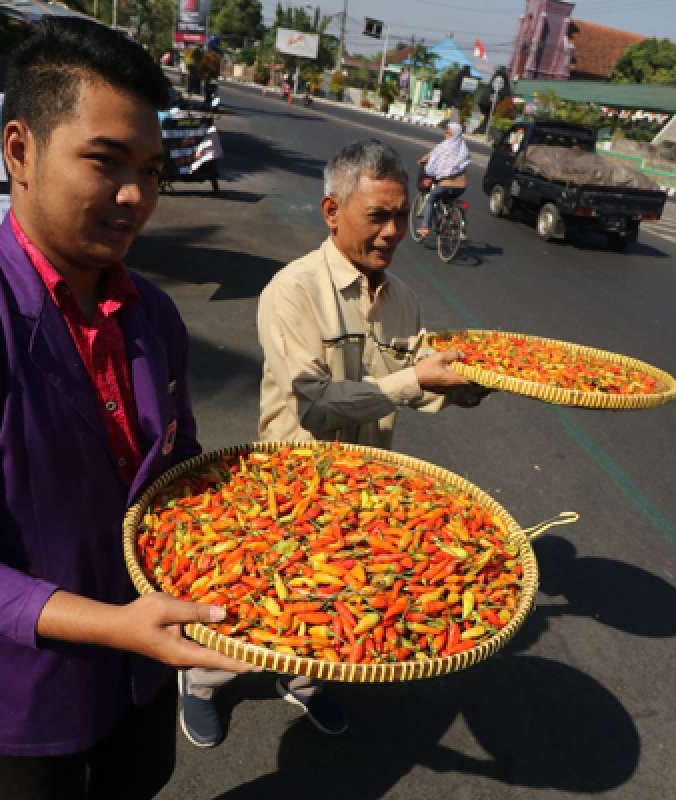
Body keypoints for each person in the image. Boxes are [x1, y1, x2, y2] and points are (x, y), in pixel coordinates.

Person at [0, 19, 255, 799]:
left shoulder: (155, 316)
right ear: (20, 150)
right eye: (105, 161)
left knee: (140, 782)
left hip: (144, 666)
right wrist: (114, 624)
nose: (136, 197)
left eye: (152, 171)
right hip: (21, 687)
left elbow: (176, 468)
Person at [177, 139, 488, 747]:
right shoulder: (292, 291)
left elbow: (419, 383)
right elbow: (316, 404)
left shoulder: (403, 301)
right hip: (291, 483)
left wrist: (471, 385)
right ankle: (203, 677)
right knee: (260, 598)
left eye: (401, 216)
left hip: (362, 486)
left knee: (332, 596)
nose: (393, 231)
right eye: (378, 215)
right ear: (331, 212)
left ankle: (303, 678)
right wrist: (413, 381)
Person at [415, 121, 470, 237]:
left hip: (446, 184)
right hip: (462, 186)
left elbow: (432, 156)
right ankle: (461, 227)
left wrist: (422, 160)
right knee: (449, 201)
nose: (445, 134)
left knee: (431, 199)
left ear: (453, 134)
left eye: (448, 132)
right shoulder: (463, 147)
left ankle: (425, 227)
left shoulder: (444, 146)